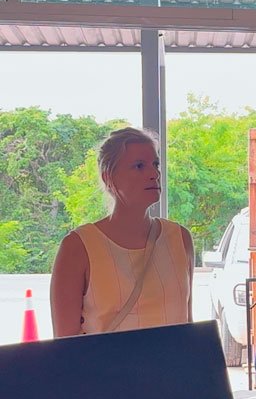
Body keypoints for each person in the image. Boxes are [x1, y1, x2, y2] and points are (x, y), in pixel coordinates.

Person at [50, 127, 194, 336]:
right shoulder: (78, 247)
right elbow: (65, 344)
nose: (154, 174)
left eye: (155, 164)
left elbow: (187, 326)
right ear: (109, 177)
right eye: (139, 166)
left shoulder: (180, 238)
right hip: (104, 369)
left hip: (172, 368)